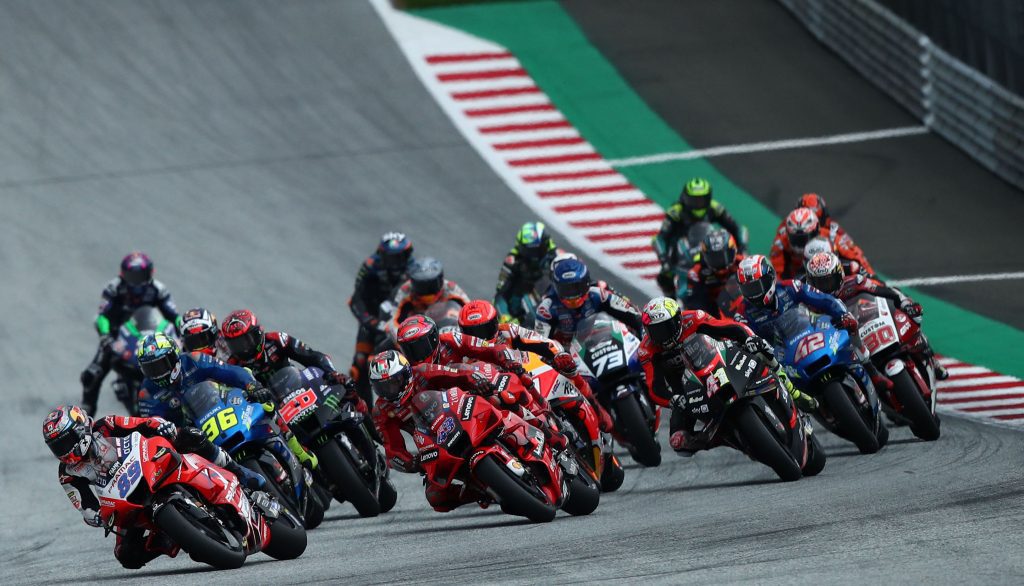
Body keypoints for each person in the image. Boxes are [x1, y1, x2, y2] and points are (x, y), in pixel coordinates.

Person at [43, 405, 267, 569]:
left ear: (80, 428)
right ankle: (171, 538)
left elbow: (140, 424)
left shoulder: (106, 425)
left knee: (190, 435)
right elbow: (85, 505)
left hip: (147, 462)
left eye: (65, 441)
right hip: (124, 497)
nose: (63, 450)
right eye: (56, 447)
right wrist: (97, 517)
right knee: (126, 555)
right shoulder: (67, 473)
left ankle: (241, 473)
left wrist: (159, 425)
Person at [369, 351, 559, 512]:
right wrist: (412, 463)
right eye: (383, 386)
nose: (390, 390)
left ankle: (542, 427)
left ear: (407, 374)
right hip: (434, 441)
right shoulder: (381, 411)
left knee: (498, 399)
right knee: (436, 497)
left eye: (394, 382)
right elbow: (392, 449)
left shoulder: (423, 372)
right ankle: (484, 490)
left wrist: (476, 380)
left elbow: (456, 373)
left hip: (460, 411)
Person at [637, 297, 816, 456]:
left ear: (677, 319)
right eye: (656, 331)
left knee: (762, 351)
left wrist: (748, 339)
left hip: (719, 361)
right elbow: (654, 386)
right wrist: (672, 400)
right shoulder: (646, 350)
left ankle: (794, 394)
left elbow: (729, 328)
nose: (663, 335)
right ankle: (726, 438)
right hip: (686, 392)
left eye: (666, 327)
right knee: (679, 441)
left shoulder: (693, 318)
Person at [732, 254, 891, 391]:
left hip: (810, 330)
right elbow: (742, 335)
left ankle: (871, 370)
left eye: (756, 287)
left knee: (850, 324)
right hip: (779, 353)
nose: (753, 294)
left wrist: (842, 314)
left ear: (769, 279)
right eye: (748, 289)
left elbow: (824, 299)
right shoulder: (742, 312)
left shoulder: (790, 287)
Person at [458, 299, 615, 433]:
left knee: (568, 368)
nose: (481, 338)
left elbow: (540, 340)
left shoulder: (507, 331)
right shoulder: (464, 358)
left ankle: (597, 409)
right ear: (463, 334)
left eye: (485, 330)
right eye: (474, 333)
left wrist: (558, 354)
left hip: (534, 374)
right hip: (508, 396)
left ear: (495, 324)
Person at [805, 252, 947, 380]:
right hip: (840, 339)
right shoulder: (809, 302)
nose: (826, 288)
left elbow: (882, 289)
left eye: (829, 281)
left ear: (839, 275)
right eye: (819, 284)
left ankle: (932, 361)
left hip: (865, 322)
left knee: (909, 321)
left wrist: (904, 303)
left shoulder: (854, 281)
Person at [80, 253, 180, 415]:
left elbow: (174, 316)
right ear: (123, 274)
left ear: (150, 273)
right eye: (132, 276)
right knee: (92, 374)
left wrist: (182, 331)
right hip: (117, 337)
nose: (137, 281)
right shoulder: (114, 288)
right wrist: (105, 336)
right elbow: (102, 316)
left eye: (140, 275)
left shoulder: (158, 289)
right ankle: (86, 412)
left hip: (149, 336)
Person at [652, 177, 747, 297]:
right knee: (664, 277)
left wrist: (742, 248)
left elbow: (737, 228)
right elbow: (660, 239)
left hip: (706, 246)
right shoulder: (675, 212)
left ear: (708, 199)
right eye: (692, 200)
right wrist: (664, 259)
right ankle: (672, 301)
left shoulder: (715, 208)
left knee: (729, 266)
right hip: (680, 251)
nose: (697, 204)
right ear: (684, 198)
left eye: (700, 200)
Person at [348, 232, 415, 400]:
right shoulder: (369, 267)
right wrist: (372, 322)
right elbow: (356, 300)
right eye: (391, 258)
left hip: (401, 325)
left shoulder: (415, 271)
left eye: (400, 258)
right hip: (372, 323)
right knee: (360, 363)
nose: (395, 264)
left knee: (406, 363)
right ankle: (364, 412)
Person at [535, 257, 644, 347]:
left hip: (604, 344)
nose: (572, 295)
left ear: (587, 283)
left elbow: (634, 315)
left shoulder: (599, 295)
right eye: (566, 289)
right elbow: (540, 345)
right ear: (556, 287)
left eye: (577, 287)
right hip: (568, 360)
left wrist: (643, 334)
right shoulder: (546, 308)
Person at [770, 194, 874, 277]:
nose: (802, 245)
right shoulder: (782, 238)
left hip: (830, 276)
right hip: (798, 281)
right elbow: (776, 275)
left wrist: (873, 278)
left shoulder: (833, 233)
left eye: (805, 239)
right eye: (796, 239)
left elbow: (857, 257)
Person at [493, 221, 560, 324]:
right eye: (529, 251)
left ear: (545, 244)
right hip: (521, 304)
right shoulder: (512, 260)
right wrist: (507, 318)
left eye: (538, 250)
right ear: (520, 248)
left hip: (550, 300)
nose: (534, 256)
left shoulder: (557, 255)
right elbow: (499, 295)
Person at [682, 229, 745, 316]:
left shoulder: (742, 263)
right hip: (713, 314)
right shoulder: (696, 272)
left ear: (733, 251)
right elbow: (694, 305)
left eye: (723, 256)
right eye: (714, 257)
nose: (719, 261)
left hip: (740, 308)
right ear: (705, 256)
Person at [390, 257, 470, 324]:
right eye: (421, 286)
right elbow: (393, 321)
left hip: (445, 325)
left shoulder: (451, 288)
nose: (427, 290)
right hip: (416, 329)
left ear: (441, 279)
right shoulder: (405, 290)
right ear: (412, 282)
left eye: (432, 285)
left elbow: (470, 309)